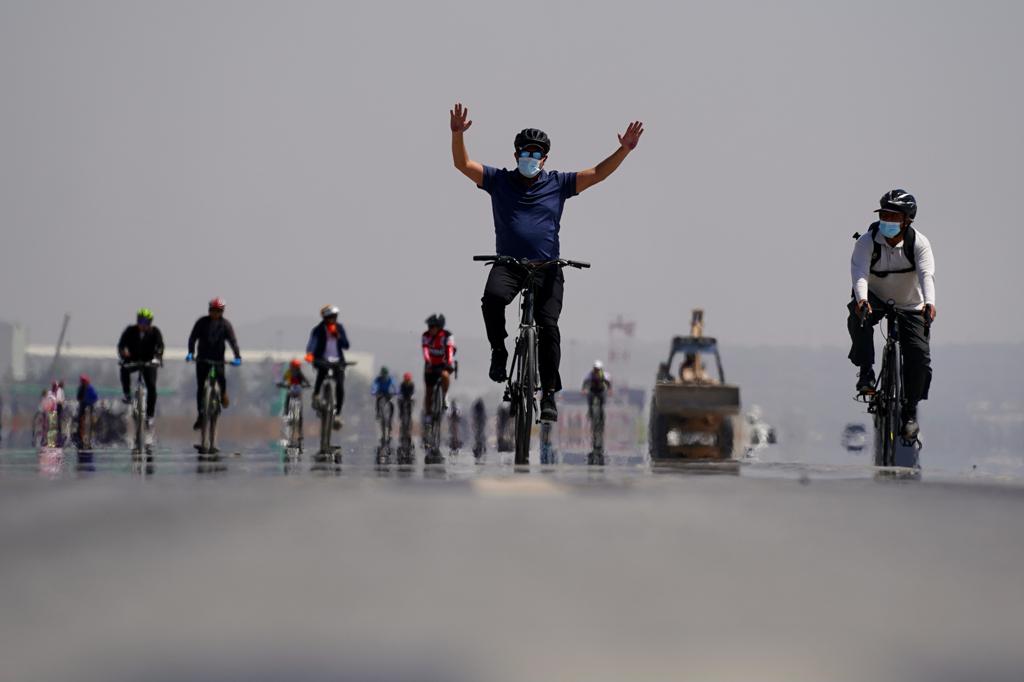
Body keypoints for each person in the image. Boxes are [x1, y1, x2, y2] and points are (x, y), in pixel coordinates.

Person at [449, 102, 644, 422]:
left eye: (537, 153)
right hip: (509, 264)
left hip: (547, 269)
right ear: (516, 155)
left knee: (548, 327)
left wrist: (623, 150)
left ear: (545, 159)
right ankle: (499, 352)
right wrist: (457, 135)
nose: (531, 157)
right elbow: (463, 164)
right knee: (492, 300)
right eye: (526, 151)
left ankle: (550, 393)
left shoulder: (558, 183)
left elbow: (597, 174)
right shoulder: (499, 181)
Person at [848, 189, 936, 441]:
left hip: (909, 303)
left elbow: (926, 275)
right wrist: (862, 300)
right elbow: (860, 272)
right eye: (884, 214)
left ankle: (909, 412)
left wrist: (930, 303)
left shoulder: (919, 243)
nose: (886, 220)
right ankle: (866, 372)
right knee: (858, 318)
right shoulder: (866, 241)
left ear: (907, 220)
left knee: (919, 356)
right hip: (874, 296)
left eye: (893, 216)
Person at [186, 298, 242, 430]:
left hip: (218, 359)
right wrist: (190, 353)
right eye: (213, 310)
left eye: (218, 311)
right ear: (209, 310)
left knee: (221, 379)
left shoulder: (226, 325)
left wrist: (237, 356)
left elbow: (233, 341)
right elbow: (192, 338)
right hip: (202, 359)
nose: (215, 313)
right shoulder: (201, 322)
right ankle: (200, 415)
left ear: (222, 312)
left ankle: (222, 395)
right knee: (200, 387)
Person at [117, 308, 165, 428]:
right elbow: (121, 345)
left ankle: (150, 416)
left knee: (152, 387)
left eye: (145, 322)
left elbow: (160, 346)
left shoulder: (155, 332)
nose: (142, 324)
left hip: (149, 362)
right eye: (140, 321)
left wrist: (157, 357)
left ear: (150, 322)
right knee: (124, 368)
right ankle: (127, 394)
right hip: (133, 359)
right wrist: (124, 353)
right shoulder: (130, 330)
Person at [305, 305, 349, 429]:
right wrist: (309, 354)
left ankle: (338, 415)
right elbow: (312, 343)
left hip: (338, 361)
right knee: (322, 371)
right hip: (322, 360)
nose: (332, 320)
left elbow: (346, 345)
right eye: (330, 317)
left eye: (334, 317)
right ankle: (316, 394)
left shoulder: (339, 328)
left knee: (340, 385)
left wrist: (338, 336)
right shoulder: (318, 330)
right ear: (325, 318)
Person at [421, 314, 456, 417]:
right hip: (430, 365)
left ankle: (445, 397)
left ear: (439, 327)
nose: (430, 329)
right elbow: (425, 350)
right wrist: (428, 362)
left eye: (432, 327)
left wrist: (449, 363)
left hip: (443, 364)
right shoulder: (426, 336)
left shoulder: (447, 336)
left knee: (445, 375)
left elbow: (450, 350)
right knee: (429, 392)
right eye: (429, 327)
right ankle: (428, 416)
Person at [76, 374, 99, 439]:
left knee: (87, 422)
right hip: (84, 405)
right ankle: (80, 437)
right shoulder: (83, 388)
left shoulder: (89, 388)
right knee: (81, 421)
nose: (83, 382)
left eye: (83, 381)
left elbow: (95, 397)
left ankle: (87, 437)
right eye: (82, 381)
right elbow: (78, 397)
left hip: (87, 406)